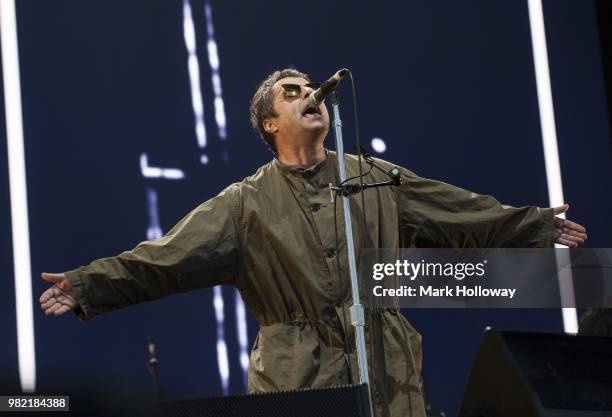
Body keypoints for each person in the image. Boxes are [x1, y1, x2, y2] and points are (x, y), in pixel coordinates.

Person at [39, 69, 587, 417]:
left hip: (387, 368)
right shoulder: (244, 204)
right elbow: (165, 258)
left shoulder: (374, 176)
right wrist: (87, 285)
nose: (311, 95)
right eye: (293, 92)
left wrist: (534, 224)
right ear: (269, 123)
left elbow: (458, 210)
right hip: (298, 376)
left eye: (313, 88)